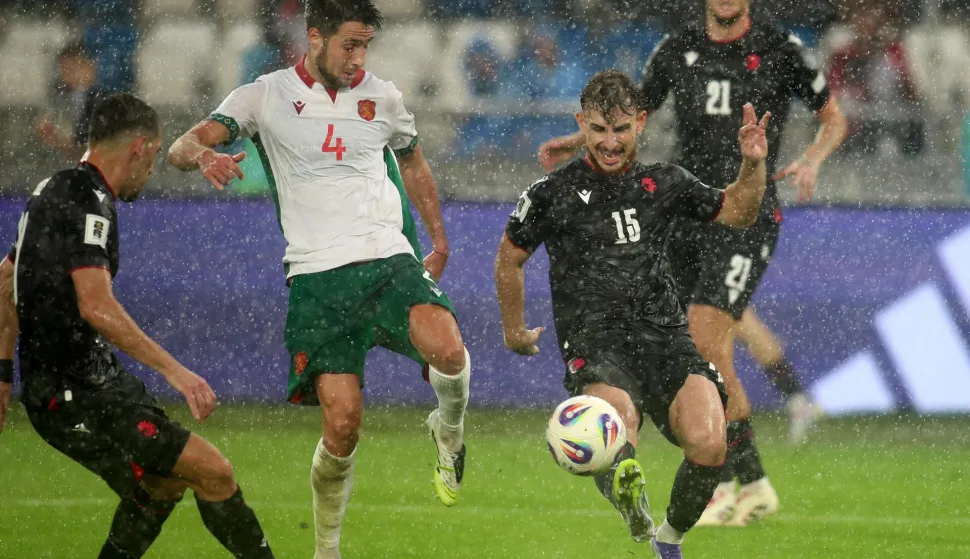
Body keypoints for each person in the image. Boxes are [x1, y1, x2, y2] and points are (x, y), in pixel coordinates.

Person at [167, 1, 471, 557]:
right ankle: (326, 548)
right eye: (349, 45)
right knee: (343, 427)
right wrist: (201, 157)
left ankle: (448, 430)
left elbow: (414, 162)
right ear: (314, 37)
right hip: (317, 280)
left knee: (449, 350)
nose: (358, 58)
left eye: (365, 46)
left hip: (388, 260)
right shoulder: (263, 95)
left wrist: (440, 239)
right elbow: (182, 144)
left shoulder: (384, 97)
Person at [538, 0, 847, 525]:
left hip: (743, 216)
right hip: (685, 214)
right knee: (698, 351)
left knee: (705, 343)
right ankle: (747, 485)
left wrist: (812, 158)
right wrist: (579, 141)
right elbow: (632, 113)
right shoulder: (676, 48)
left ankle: (728, 484)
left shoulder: (781, 47)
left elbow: (833, 119)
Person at [496, 70, 771, 559]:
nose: (609, 142)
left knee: (711, 444)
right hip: (596, 343)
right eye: (599, 129)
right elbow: (510, 258)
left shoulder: (664, 182)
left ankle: (669, 538)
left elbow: (739, 211)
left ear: (640, 123)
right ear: (582, 124)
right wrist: (514, 329)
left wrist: (753, 164)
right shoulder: (551, 193)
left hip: (666, 338)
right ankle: (627, 495)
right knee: (615, 427)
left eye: (620, 129)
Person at [0, 93, 274, 559]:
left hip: (75, 386)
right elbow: (96, 306)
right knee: (214, 471)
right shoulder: (89, 201)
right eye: (155, 154)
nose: (152, 170)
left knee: (162, 484)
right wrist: (176, 371)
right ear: (141, 147)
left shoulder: (52, 189)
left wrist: (4, 374)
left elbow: (6, 280)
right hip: (74, 391)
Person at [35, 42, 107, 161]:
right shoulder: (56, 99)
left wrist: (66, 145)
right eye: (63, 69)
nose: (67, 74)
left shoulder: (104, 100)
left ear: (89, 67)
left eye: (72, 68)